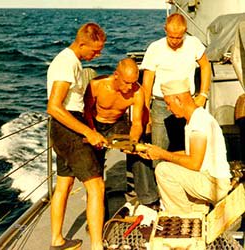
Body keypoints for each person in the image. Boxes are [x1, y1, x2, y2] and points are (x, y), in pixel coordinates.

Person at [47, 23, 107, 250]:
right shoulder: (67, 62)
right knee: (96, 186)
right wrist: (87, 132)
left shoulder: (73, 61)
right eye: (94, 50)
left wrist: (89, 127)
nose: (98, 54)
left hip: (66, 128)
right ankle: (97, 246)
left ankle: (57, 240)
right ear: (82, 43)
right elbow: (54, 106)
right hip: (68, 129)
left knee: (64, 184)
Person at [139, 78, 232, 214]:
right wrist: (159, 153)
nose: (168, 108)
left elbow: (194, 163)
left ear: (178, 99)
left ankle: (181, 216)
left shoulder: (198, 122)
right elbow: (191, 153)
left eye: (169, 104)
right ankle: (196, 211)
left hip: (215, 184)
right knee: (169, 164)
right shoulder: (196, 118)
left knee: (163, 170)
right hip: (210, 180)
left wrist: (162, 155)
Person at [84, 58, 160, 212]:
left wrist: (132, 142)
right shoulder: (97, 85)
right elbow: (86, 112)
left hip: (118, 123)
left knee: (139, 149)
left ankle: (148, 199)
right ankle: (98, 208)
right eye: (126, 82)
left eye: (133, 82)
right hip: (95, 124)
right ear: (116, 75)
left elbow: (137, 123)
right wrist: (92, 133)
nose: (130, 87)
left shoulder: (137, 92)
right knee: (93, 164)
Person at [141, 13, 211, 157]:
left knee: (186, 149)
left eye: (179, 37)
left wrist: (203, 94)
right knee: (159, 150)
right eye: (171, 36)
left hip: (186, 103)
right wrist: (146, 111)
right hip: (161, 104)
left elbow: (206, 66)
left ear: (185, 32)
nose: (174, 41)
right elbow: (147, 82)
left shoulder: (194, 44)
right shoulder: (155, 48)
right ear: (165, 30)